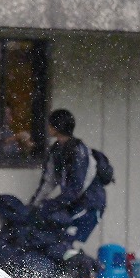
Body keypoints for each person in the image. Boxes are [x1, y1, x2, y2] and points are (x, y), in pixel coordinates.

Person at [29, 108, 106, 260]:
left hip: (89, 205)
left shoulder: (79, 151)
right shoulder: (56, 150)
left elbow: (77, 188)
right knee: (60, 242)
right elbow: (48, 181)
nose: (48, 128)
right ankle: (71, 276)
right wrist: (34, 205)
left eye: (51, 124)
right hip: (74, 204)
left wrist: (52, 205)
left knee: (68, 244)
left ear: (57, 127)